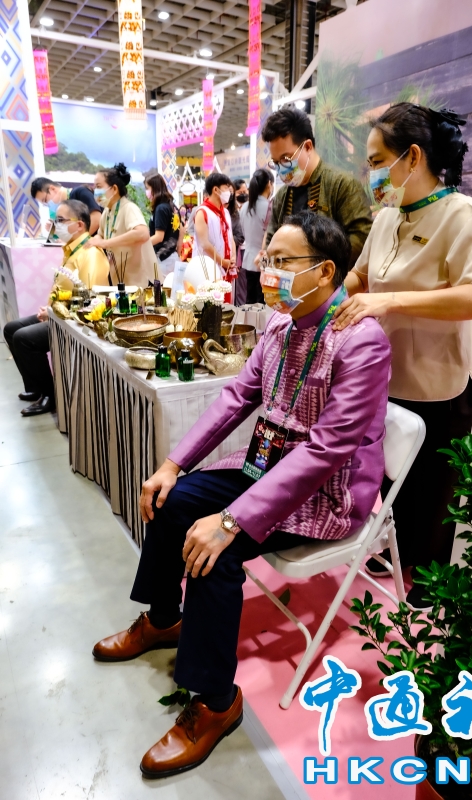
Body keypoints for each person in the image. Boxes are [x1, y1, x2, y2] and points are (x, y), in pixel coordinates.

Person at [92, 212, 391, 779]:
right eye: (268, 259)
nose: (268, 271)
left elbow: (327, 451)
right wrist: (173, 464)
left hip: (325, 492)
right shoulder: (280, 326)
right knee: (174, 499)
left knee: (217, 548)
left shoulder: (362, 342)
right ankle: (163, 618)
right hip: (265, 466)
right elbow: (237, 397)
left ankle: (215, 702)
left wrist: (230, 521)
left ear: (325, 272)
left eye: (283, 261)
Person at [333, 103, 472, 609]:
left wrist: (391, 301)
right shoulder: (387, 217)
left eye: (377, 161)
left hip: (443, 379)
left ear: (413, 158)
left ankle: (432, 576)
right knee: (396, 474)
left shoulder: (461, 214)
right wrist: (336, 295)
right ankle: (397, 548)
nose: (371, 174)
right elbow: (362, 274)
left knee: (435, 485)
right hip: (391, 373)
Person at [4, 199, 109, 417]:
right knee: (11, 329)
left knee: (24, 338)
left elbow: (89, 299)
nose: (56, 225)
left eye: (61, 220)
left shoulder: (90, 253)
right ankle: (35, 386)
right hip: (58, 313)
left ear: (79, 224)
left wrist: (53, 313)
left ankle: (49, 395)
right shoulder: (71, 250)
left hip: (75, 321)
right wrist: (49, 309)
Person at [262, 106, 372, 263]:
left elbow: (362, 237)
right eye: (276, 162)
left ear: (307, 147)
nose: (281, 168)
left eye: (286, 159)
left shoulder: (342, 185)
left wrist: (315, 262)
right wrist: (268, 256)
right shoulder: (282, 195)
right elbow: (272, 237)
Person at [85, 163, 156, 288]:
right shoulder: (107, 211)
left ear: (114, 189)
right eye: (94, 187)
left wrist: (106, 243)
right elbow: (100, 235)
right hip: (119, 279)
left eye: (99, 186)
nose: (95, 191)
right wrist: (93, 241)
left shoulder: (129, 208)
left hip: (138, 282)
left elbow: (142, 233)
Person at [193, 173, 236, 293]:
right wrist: (222, 261)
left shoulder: (225, 212)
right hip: (208, 270)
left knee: (227, 302)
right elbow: (204, 244)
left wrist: (233, 257)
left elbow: (230, 237)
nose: (229, 192)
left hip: (226, 267)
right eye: (226, 188)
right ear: (216, 190)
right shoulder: (202, 212)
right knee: (211, 301)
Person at [240, 167, 274, 304]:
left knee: (250, 300)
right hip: (265, 260)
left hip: (248, 258)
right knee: (263, 302)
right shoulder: (270, 207)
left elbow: (243, 231)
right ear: (269, 184)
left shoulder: (244, 207)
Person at [31, 177, 102, 235]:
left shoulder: (80, 192)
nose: (48, 204)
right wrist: (55, 230)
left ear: (52, 189)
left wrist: (78, 241)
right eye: (44, 204)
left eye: (45, 200)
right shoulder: (64, 208)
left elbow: (96, 219)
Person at [144, 172, 183, 273]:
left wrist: (141, 245)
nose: (146, 192)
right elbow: (181, 230)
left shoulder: (161, 208)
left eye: (147, 188)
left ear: (155, 188)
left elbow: (159, 237)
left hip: (163, 260)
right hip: (172, 256)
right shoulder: (172, 206)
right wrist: (178, 253)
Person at [226, 181, 246, 306]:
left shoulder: (234, 214)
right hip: (215, 259)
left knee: (233, 292)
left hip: (232, 259)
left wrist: (226, 239)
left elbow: (240, 236)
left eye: (231, 192)